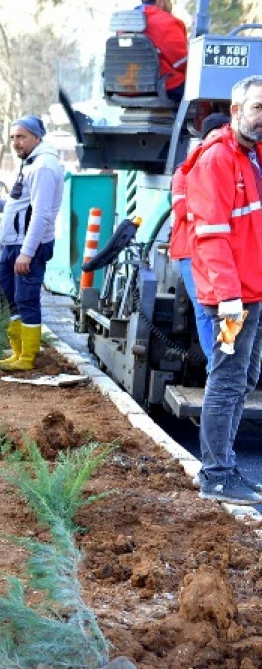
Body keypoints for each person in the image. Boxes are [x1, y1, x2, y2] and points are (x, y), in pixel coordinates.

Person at [185, 75, 262, 505]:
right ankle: (215, 474)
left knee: (245, 377)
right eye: (258, 108)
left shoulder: (252, 158)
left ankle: (226, 466)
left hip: (253, 293)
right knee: (228, 379)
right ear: (236, 111)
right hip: (231, 300)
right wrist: (230, 300)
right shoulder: (217, 161)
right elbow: (211, 237)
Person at [0, 115, 65, 372]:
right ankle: (17, 353)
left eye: (21, 137)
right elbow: (22, 205)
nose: (16, 142)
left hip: (28, 247)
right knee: (6, 299)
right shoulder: (30, 163)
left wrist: (27, 253)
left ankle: (27, 358)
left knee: (26, 300)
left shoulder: (44, 167)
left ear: (36, 137)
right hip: (13, 245)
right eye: (13, 137)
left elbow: (41, 214)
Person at [170, 113, 231, 362]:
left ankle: (226, 363)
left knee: (230, 311)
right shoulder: (184, 172)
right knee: (206, 311)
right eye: (216, 136)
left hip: (221, 252)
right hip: (191, 253)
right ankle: (216, 365)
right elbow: (183, 210)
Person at [139, 0, 189, 102]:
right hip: (164, 86)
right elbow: (183, 62)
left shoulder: (125, 21)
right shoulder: (167, 22)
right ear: (160, 1)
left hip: (126, 85)